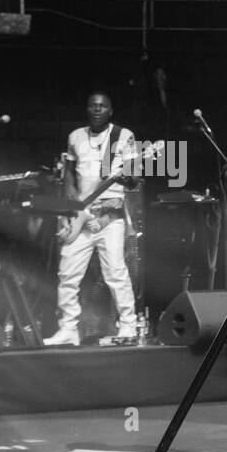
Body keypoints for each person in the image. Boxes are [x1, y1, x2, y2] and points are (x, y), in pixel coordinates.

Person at [43, 92, 139, 346]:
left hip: (110, 215)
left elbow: (133, 179)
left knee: (115, 272)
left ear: (110, 110)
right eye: (93, 105)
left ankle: (129, 326)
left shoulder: (123, 136)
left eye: (102, 106)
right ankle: (68, 329)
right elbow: (69, 177)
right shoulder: (75, 136)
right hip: (80, 215)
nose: (97, 109)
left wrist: (126, 176)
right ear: (87, 109)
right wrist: (68, 212)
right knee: (67, 273)